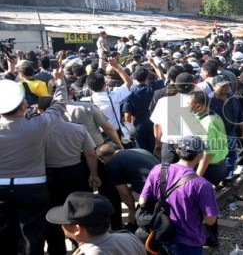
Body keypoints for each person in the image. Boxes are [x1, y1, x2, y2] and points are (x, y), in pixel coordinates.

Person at [0, 68, 67, 255]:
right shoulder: (37, 125)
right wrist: (60, 82)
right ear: (23, 106)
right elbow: (60, 105)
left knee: (3, 236)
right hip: (33, 187)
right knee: (33, 235)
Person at [37, 96, 102, 255]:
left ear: (40, 111)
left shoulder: (39, 132)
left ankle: (57, 249)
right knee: (79, 211)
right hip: (75, 173)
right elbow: (90, 154)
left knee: (52, 214)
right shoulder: (78, 129)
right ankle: (82, 247)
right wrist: (94, 174)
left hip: (49, 176)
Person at [139, 135, 219, 254]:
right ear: (200, 155)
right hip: (188, 241)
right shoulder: (202, 185)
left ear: (177, 151)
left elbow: (142, 201)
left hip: (161, 233)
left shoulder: (158, 169)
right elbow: (210, 220)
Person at [46, 192, 145, 255]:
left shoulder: (88, 252)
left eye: (64, 222)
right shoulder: (130, 238)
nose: (62, 226)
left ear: (77, 229)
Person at [97, 143, 158, 230]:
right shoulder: (139, 150)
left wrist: (132, 212)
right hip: (168, 183)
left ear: (104, 158)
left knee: (141, 221)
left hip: (153, 192)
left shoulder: (112, 163)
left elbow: (124, 193)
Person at [151, 72, 197, 163]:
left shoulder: (163, 101)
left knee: (165, 173)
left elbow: (156, 125)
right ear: (193, 86)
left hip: (168, 144)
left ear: (176, 85)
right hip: (190, 145)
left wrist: (158, 143)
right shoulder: (197, 103)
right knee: (187, 173)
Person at [123, 66, 163, 153]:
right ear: (147, 76)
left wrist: (129, 129)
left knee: (142, 150)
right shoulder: (153, 88)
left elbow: (127, 114)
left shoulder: (130, 92)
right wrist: (152, 69)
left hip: (139, 124)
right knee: (156, 149)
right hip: (154, 122)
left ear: (134, 76)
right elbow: (161, 78)